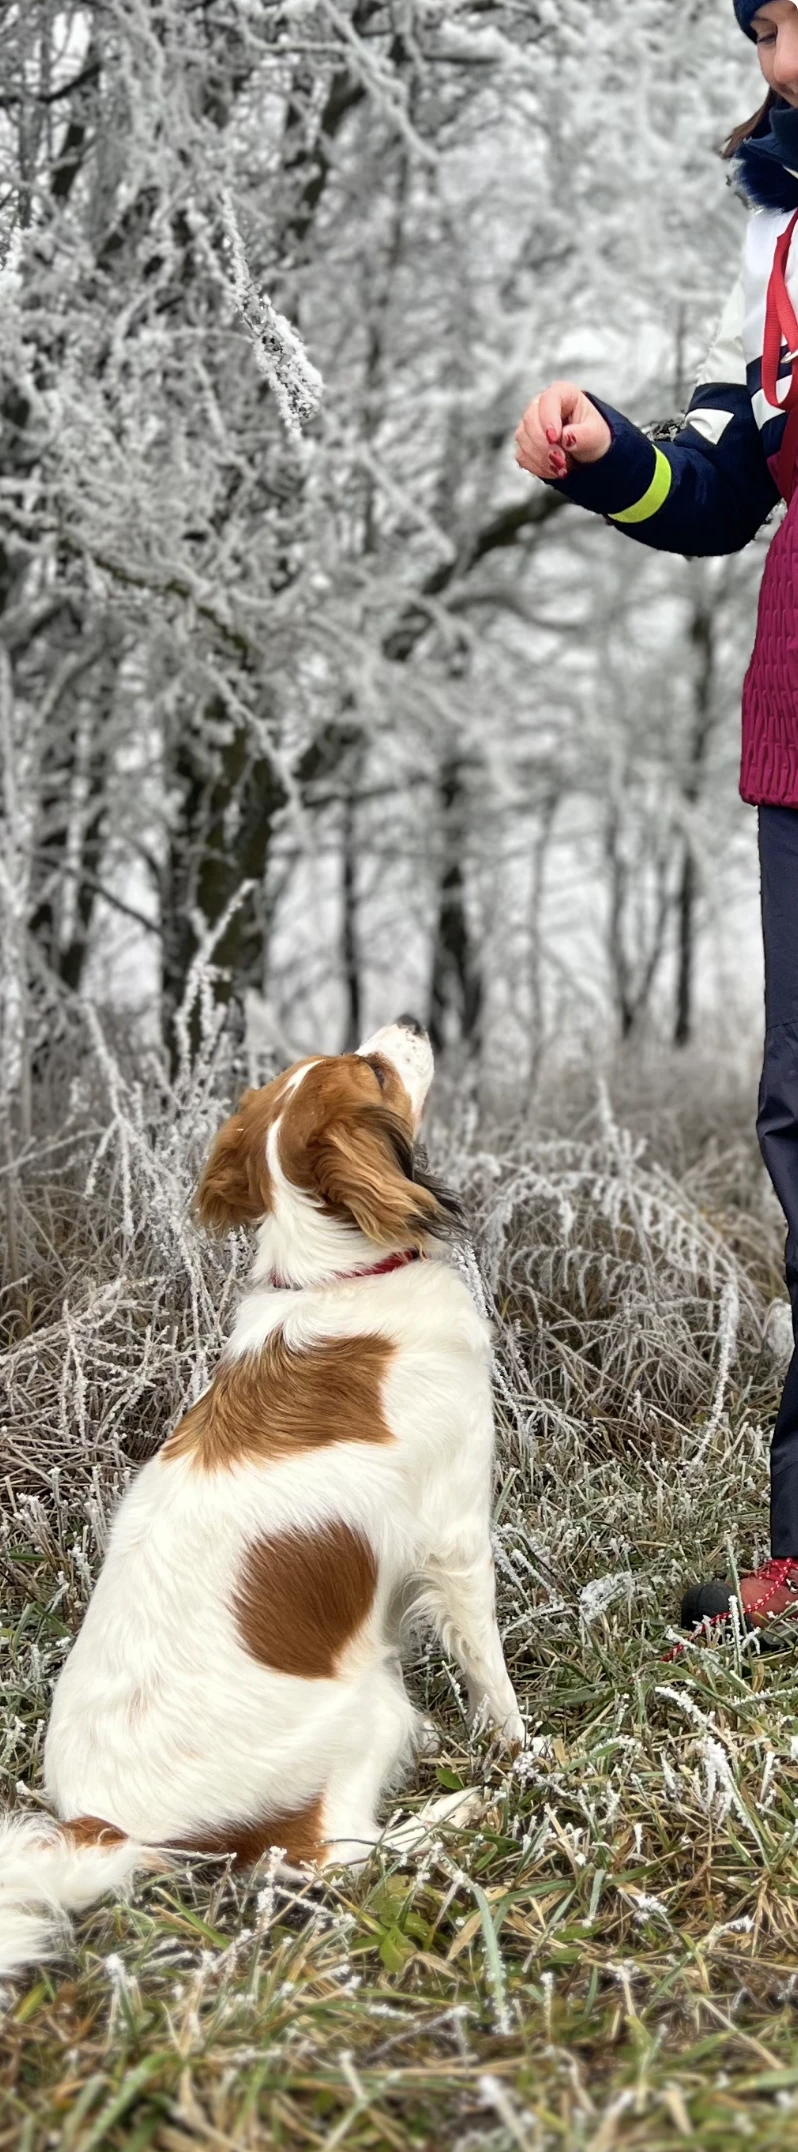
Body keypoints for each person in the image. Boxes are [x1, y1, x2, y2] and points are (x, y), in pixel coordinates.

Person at [515, 0, 798, 1634]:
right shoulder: (778, 241)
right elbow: (721, 483)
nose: (784, 59)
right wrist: (605, 452)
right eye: (765, 28)